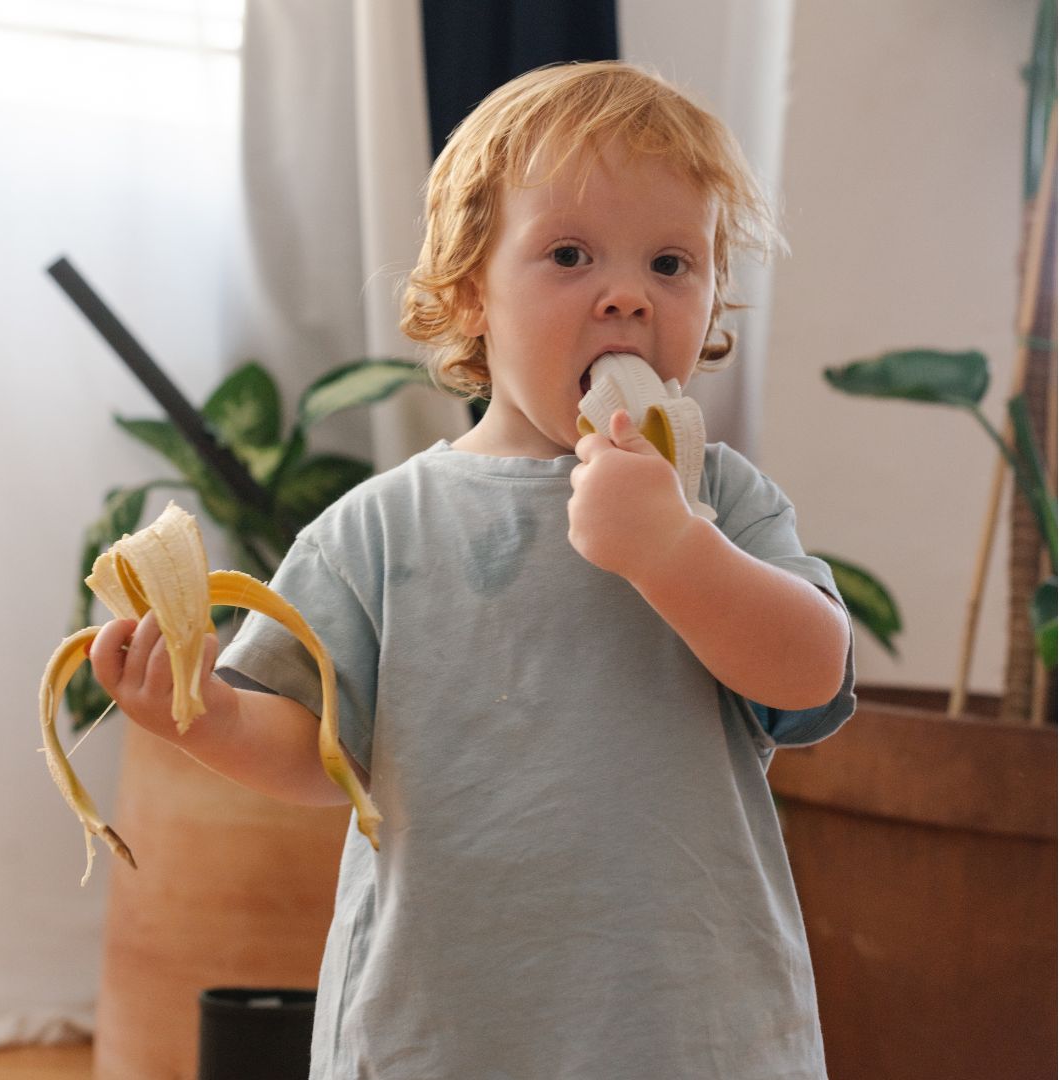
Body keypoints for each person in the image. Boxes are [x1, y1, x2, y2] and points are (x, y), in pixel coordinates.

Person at [91, 61, 854, 1080]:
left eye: (672, 263)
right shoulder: (379, 530)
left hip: (684, 1026)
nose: (628, 295)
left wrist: (675, 550)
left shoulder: (721, 501)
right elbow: (319, 751)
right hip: (440, 1026)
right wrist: (208, 717)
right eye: (570, 255)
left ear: (714, 298)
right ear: (469, 294)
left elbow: (809, 676)